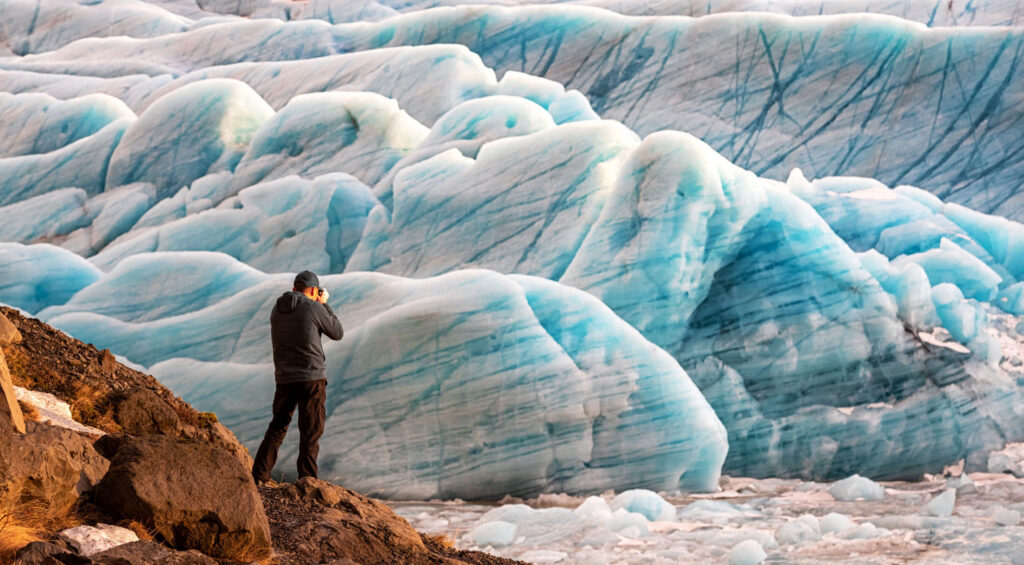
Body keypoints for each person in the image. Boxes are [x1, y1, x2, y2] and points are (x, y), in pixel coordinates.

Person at [252, 270, 343, 484]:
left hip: (284, 378)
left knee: (277, 427)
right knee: (311, 432)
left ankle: (259, 476)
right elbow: (337, 332)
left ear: (294, 288)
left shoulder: (277, 309)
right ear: (312, 290)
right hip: (311, 377)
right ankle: (308, 480)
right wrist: (324, 304)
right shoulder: (313, 307)